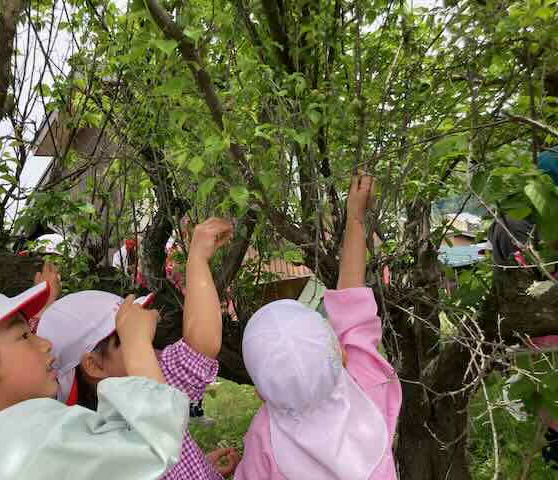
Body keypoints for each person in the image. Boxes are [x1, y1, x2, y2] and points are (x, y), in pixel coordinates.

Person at [0, 278, 190, 480]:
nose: (46, 344)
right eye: (24, 336)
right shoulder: (25, 436)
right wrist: (137, 341)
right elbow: (153, 443)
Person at [37, 218, 241, 479]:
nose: (146, 337)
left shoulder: (144, 377)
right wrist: (198, 258)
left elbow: (200, 344)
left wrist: (199, 466)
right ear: (94, 365)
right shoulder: (101, 443)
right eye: (127, 335)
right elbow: (203, 344)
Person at [233, 174, 402, 480]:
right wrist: (354, 218)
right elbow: (351, 292)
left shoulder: (264, 439)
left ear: (259, 392)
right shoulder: (365, 387)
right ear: (343, 355)